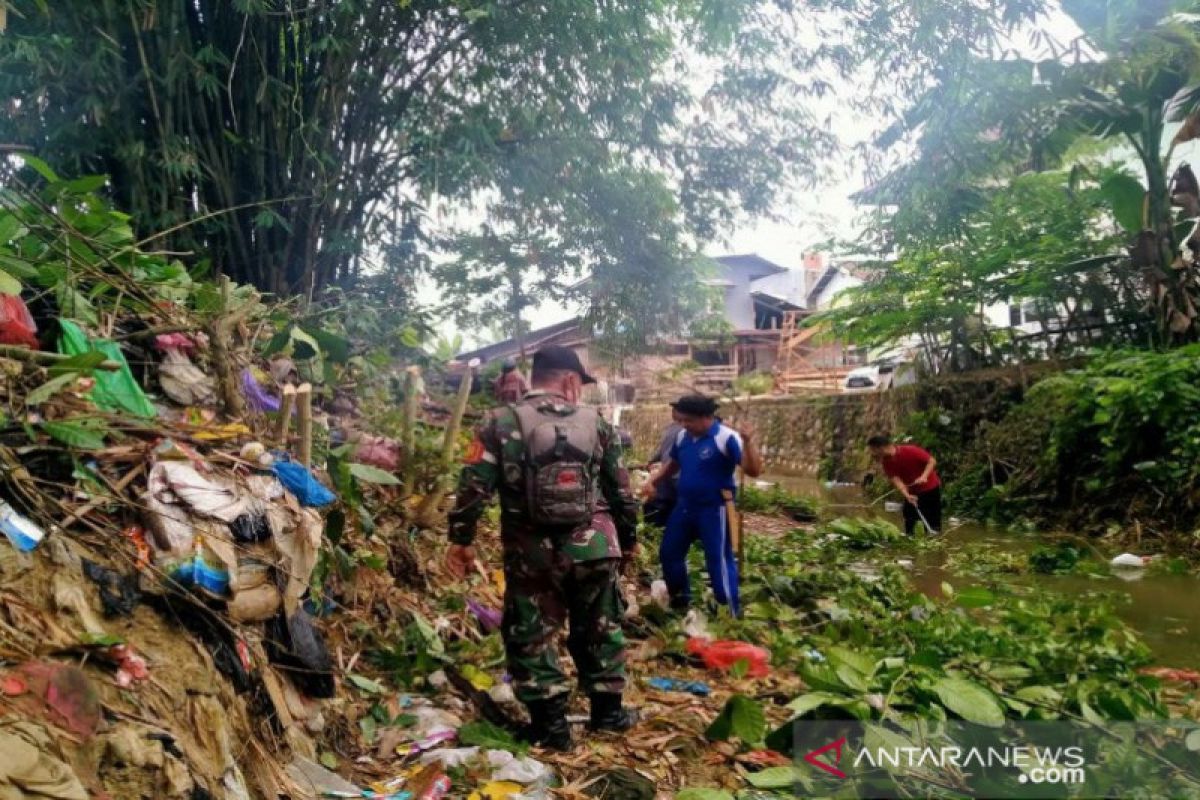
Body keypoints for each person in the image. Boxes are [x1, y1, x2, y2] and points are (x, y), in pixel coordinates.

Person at [446, 345, 639, 751]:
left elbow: (473, 488)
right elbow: (622, 491)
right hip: (596, 547)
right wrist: (628, 540)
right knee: (601, 626)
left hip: (532, 553)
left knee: (531, 634)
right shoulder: (598, 423)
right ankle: (609, 714)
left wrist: (461, 540)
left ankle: (552, 727)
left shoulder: (499, 422)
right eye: (580, 384)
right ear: (570, 381)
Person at [642, 395, 763, 615]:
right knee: (669, 553)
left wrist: (748, 443)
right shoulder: (682, 437)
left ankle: (729, 611)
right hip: (685, 506)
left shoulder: (726, 438)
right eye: (682, 421)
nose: (685, 425)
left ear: (707, 417)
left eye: (689, 421)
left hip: (715, 508)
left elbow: (753, 470)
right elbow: (673, 464)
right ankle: (680, 602)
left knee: (718, 559)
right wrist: (654, 481)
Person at [867, 435, 942, 535]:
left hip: (930, 488)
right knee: (909, 518)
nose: (873, 453)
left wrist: (924, 476)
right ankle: (911, 540)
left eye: (873, 450)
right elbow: (896, 480)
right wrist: (907, 495)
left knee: (932, 519)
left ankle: (936, 539)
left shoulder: (910, 450)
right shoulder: (886, 462)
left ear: (881, 448)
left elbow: (931, 461)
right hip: (912, 492)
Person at [642, 409, 683, 528]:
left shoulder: (669, 430)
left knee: (664, 505)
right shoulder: (685, 432)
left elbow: (662, 450)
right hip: (674, 475)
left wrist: (650, 461)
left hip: (666, 475)